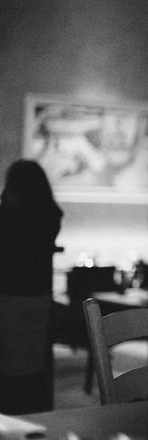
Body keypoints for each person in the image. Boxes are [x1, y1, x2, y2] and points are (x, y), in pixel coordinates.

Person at [0, 159, 63, 413]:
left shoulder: (7, 217)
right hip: (40, 297)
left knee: (10, 367)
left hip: (9, 297)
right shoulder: (49, 216)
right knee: (35, 366)